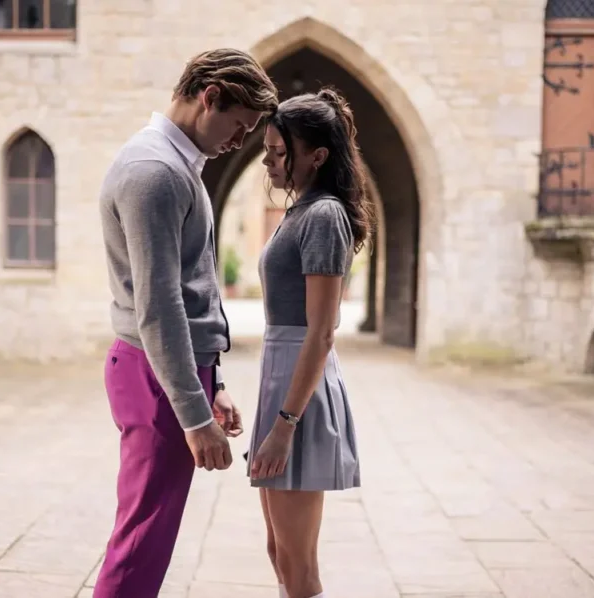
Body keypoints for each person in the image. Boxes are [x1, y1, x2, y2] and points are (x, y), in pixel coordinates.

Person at [95, 48, 278, 598]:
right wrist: (195, 417)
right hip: (154, 375)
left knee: (151, 533)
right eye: (239, 126)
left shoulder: (176, 165)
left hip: (168, 371)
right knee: (141, 538)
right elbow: (159, 307)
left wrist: (212, 382)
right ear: (210, 97)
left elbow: (192, 284)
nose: (237, 142)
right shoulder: (154, 172)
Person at [247, 87, 375, 598]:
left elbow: (321, 333)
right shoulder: (303, 212)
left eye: (280, 152)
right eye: (269, 150)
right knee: (280, 553)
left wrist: (284, 426)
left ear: (317, 156)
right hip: (282, 379)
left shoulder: (324, 216)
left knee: (298, 565)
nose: (268, 161)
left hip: (298, 391)